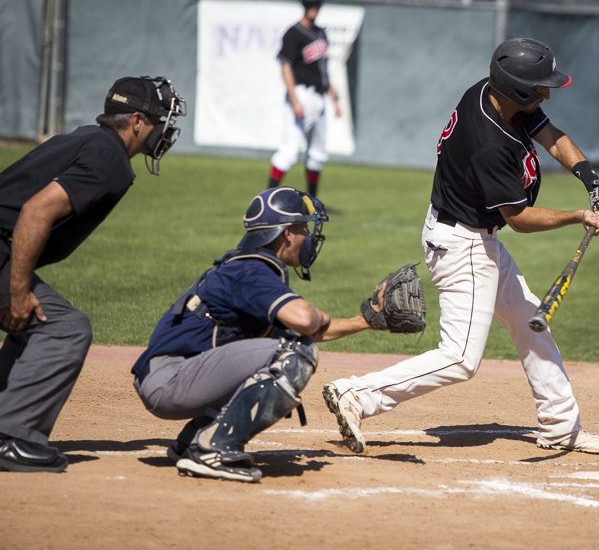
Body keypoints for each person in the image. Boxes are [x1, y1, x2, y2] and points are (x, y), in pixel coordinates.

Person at [324, 38, 599, 455]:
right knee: (461, 357)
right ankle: (355, 394)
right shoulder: (488, 143)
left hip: (473, 235)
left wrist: (592, 181)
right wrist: (578, 216)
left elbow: (550, 135)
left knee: (529, 318)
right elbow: (517, 219)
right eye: (540, 87)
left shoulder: (491, 92)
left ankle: (561, 426)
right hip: (463, 244)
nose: (547, 93)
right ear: (517, 89)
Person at [0, 75, 187, 473]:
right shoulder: (109, 159)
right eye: (159, 121)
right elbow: (35, 211)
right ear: (137, 121)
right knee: (65, 328)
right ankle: (13, 437)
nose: (164, 132)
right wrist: (17, 290)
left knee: (36, 320)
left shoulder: (93, 139)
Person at [131, 187, 379, 483]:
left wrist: (368, 321)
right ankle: (213, 450)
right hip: (171, 380)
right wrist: (320, 315)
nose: (308, 237)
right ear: (287, 233)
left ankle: (194, 439)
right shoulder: (252, 271)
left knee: (284, 345)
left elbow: (310, 330)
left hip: (174, 376)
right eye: (304, 228)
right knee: (295, 353)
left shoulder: (250, 267)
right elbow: (304, 321)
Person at [267, 0, 342, 198]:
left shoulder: (320, 32)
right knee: (289, 150)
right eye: (310, 4)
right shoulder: (294, 32)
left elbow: (324, 71)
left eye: (316, 4)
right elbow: (285, 66)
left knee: (318, 153)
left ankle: (313, 202)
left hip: (319, 96)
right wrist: (294, 99)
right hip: (301, 94)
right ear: (304, 6)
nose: (313, 8)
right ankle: (266, 198)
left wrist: (334, 100)